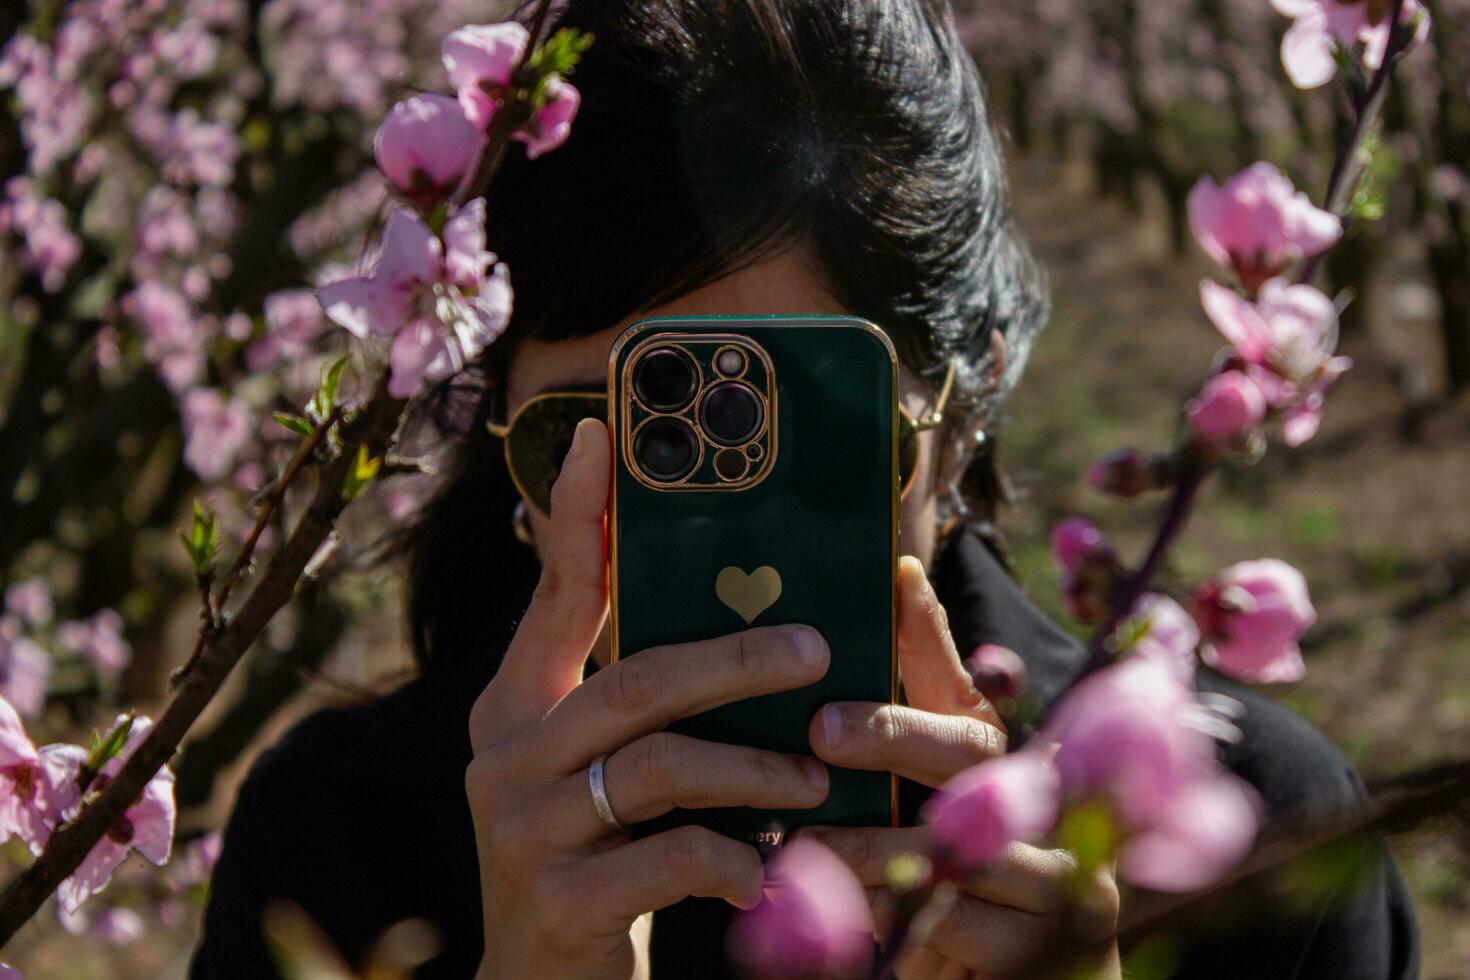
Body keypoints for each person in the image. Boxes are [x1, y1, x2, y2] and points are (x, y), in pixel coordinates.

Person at [191, 1, 1420, 977]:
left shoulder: (1240, 839)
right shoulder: (335, 842)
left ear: (967, 392)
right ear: (497, 428)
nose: (711, 511)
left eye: (798, 419)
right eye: (588, 431)